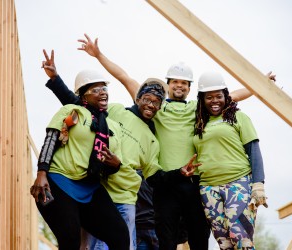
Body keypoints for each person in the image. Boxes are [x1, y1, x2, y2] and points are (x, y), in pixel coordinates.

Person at [74, 34, 276, 250]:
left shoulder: (197, 108)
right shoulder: (157, 106)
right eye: (175, 82)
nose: (179, 86)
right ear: (168, 84)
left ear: (189, 88)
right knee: (166, 238)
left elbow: (231, 95)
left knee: (199, 236)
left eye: (184, 83)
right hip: (166, 183)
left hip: (194, 183)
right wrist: (98, 55)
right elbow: (125, 77)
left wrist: (260, 84)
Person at [41, 49, 201, 250]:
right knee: (88, 246)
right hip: (99, 190)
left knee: (123, 244)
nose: (151, 105)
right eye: (148, 99)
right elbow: (80, 107)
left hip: (125, 199)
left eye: (156, 102)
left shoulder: (153, 141)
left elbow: (154, 177)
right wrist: (56, 80)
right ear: (138, 98)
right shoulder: (115, 112)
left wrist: (179, 173)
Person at [30, 69, 130, 250]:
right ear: (84, 96)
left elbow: (113, 162)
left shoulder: (112, 126)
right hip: (60, 182)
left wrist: (115, 165)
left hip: (90, 186)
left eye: (104, 88)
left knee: (120, 235)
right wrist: (41, 173)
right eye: (96, 89)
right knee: (70, 240)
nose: (102, 92)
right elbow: (52, 138)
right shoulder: (72, 111)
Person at [193, 71, 268, 249]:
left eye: (218, 96)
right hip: (208, 189)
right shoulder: (198, 123)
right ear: (202, 99)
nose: (214, 101)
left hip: (238, 183)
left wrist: (258, 183)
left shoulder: (238, 117)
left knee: (240, 238)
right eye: (209, 97)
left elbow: (254, 150)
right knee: (224, 243)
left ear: (226, 96)